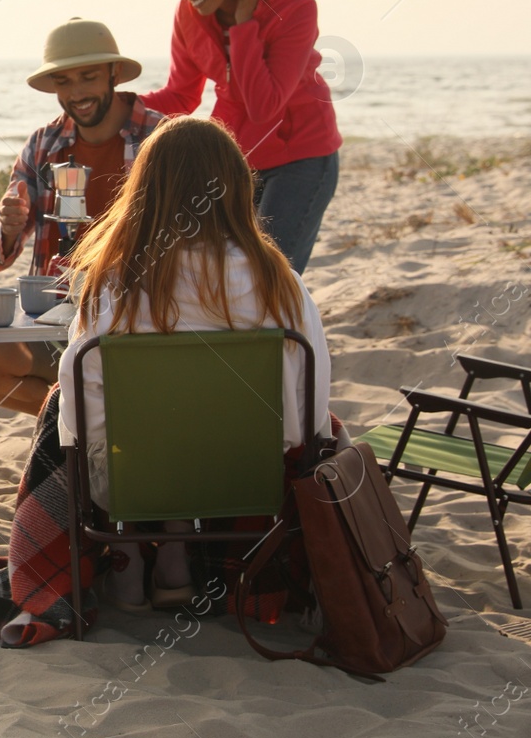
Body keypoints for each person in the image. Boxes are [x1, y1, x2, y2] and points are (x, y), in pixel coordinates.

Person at [58, 115, 332, 610]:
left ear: (144, 188)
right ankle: (179, 553)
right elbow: (307, 415)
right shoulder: (280, 280)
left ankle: (125, 553)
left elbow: (82, 416)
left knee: (62, 409)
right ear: (235, 187)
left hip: (133, 477)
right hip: (249, 475)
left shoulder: (116, 281)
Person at [0, 19, 164, 415]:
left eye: (88, 77)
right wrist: (8, 226)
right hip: (60, 325)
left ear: (114, 73)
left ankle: (93, 420)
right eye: (64, 82)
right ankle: (93, 422)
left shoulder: (161, 137)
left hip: (137, 325)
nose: (77, 93)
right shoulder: (44, 144)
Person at [142, 0, 342, 274]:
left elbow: (264, 106)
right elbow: (182, 95)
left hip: (301, 159)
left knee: (269, 279)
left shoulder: (296, 10)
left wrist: (244, 25)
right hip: (237, 163)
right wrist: (118, 105)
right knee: (221, 275)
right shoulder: (189, 15)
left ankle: (289, 337)